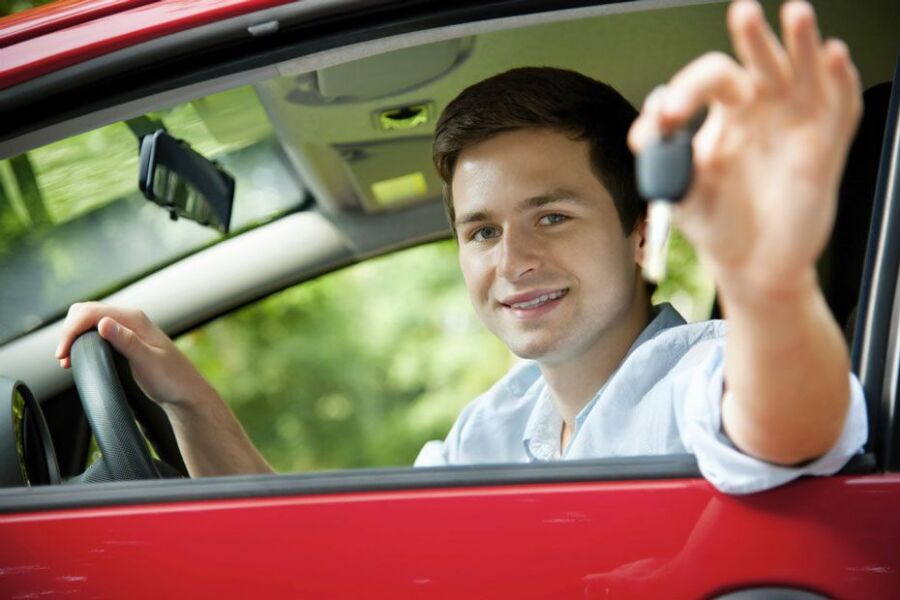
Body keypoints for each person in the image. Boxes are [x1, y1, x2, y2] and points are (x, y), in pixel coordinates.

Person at [55, 0, 867, 493]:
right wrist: (189, 400)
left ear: (641, 229)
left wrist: (768, 281)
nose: (512, 261)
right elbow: (326, 555)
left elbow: (789, 429)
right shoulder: (502, 422)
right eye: (482, 230)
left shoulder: (698, 372)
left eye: (552, 216)